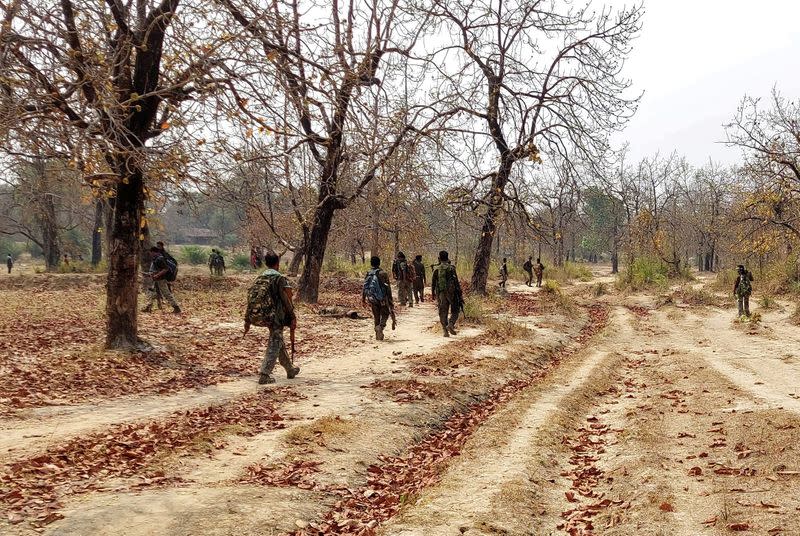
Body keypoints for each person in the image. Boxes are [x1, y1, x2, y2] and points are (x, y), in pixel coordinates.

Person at [247, 251, 300, 384]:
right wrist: (292, 316)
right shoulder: (279, 278)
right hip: (275, 316)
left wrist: (247, 319)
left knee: (277, 339)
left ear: (266, 263)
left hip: (261, 314)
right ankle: (265, 374)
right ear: (277, 263)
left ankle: (290, 369)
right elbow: (286, 300)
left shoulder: (260, 278)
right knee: (275, 342)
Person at [362, 256, 396, 341]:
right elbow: (388, 288)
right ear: (379, 263)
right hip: (383, 299)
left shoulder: (368, 273)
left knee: (376, 316)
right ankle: (381, 327)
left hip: (372, 298)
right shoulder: (383, 273)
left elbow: (365, 287)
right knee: (385, 313)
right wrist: (390, 300)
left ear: (371, 263)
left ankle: (378, 333)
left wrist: (363, 299)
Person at [142, 246, 181, 314]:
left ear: (153, 252)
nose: (150, 254)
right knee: (151, 293)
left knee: (166, 293)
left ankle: (176, 307)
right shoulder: (157, 258)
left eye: (151, 253)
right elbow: (157, 269)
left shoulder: (160, 259)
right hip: (156, 279)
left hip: (161, 279)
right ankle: (148, 307)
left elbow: (165, 269)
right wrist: (150, 274)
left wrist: (157, 275)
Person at [431, 250, 461, 337]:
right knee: (455, 310)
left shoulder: (436, 269)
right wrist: (459, 293)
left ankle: (445, 331)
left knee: (443, 311)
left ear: (439, 258)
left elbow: (433, 283)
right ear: (447, 258)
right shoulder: (452, 268)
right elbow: (456, 282)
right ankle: (451, 324)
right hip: (452, 293)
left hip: (441, 293)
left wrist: (433, 294)